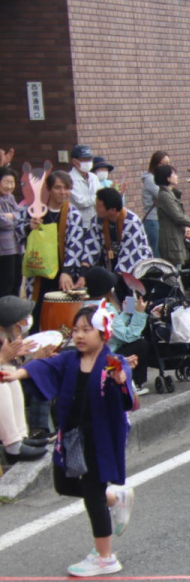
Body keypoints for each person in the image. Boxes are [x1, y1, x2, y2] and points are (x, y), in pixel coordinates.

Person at [4, 306, 137, 576]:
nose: (79, 335)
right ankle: (114, 498)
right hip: (72, 435)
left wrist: (121, 379)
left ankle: (105, 557)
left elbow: (125, 388)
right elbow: (44, 366)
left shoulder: (113, 361)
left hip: (100, 438)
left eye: (87, 329)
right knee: (63, 484)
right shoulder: (69, 359)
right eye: (76, 329)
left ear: (103, 332)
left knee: (91, 495)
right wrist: (15, 374)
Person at [16, 170, 89, 330]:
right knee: (37, 313)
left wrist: (67, 271)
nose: (63, 192)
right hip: (38, 271)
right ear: (48, 189)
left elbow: (75, 244)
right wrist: (29, 226)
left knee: (62, 315)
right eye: (58, 187)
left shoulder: (73, 213)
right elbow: (18, 232)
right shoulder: (32, 209)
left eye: (67, 188)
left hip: (63, 272)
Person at [81, 267, 151, 394]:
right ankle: (135, 382)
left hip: (91, 354)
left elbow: (115, 328)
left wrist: (127, 312)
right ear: (109, 289)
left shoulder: (84, 305)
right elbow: (127, 336)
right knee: (141, 344)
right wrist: (139, 314)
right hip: (107, 355)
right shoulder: (106, 309)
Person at [0, 296, 50, 465]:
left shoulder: (6, 341)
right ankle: (13, 446)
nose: (24, 325)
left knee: (9, 373)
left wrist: (29, 360)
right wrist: (2, 358)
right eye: (19, 323)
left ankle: (20, 438)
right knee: (2, 380)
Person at [83, 187, 154, 274]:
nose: (95, 208)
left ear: (112, 210)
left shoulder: (132, 222)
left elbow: (130, 255)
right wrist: (83, 272)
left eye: (99, 206)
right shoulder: (97, 220)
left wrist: (114, 278)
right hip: (111, 262)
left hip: (136, 268)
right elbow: (91, 246)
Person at [152, 164, 190, 268]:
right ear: (167, 178)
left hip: (175, 238)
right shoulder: (165, 195)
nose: (177, 176)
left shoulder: (169, 194)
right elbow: (178, 216)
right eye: (174, 174)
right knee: (174, 272)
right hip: (171, 241)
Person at [0, 167, 24, 297]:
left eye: (12, 182)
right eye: (6, 182)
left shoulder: (10, 197)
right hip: (3, 250)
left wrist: (11, 216)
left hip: (17, 246)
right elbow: (2, 221)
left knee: (17, 282)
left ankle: (13, 314)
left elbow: (22, 215)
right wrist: (14, 218)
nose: (9, 186)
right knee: (6, 284)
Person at [141, 151, 168, 258]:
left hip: (161, 219)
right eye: (162, 164)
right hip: (153, 220)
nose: (165, 167)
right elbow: (163, 197)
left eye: (167, 164)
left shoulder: (161, 179)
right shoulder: (151, 179)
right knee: (156, 252)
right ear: (154, 164)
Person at [68, 144, 101, 226]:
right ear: (74, 161)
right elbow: (81, 202)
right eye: (83, 159)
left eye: (89, 159)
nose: (87, 162)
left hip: (96, 221)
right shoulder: (69, 178)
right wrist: (99, 197)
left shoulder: (93, 177)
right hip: (78, 223)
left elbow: (102, 197)